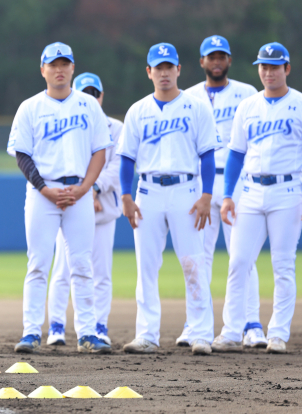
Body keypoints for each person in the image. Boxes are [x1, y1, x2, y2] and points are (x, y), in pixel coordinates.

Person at [7, 42, 113, 354]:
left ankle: (88, 333)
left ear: (72, 69)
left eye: (64, 63)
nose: (59, 69)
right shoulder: (30, 107)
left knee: (82, 264)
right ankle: (30, 332)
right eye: (53, 64)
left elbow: (100, 152)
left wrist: (85, 188)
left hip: (78, 191)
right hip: (43, 193)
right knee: (38, 263)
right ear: (43, 70)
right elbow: (22, 155)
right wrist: (44, 189)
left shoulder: (88, 105)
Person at [117, 43, 221, 355]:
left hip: (186, 190)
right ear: (148, 72)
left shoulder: (196, 107)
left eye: (169, 66)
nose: (164, 72)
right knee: (146, 265)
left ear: (179, 70)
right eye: (158, 67)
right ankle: (146, 334)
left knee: (193, 263)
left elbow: (207, 156)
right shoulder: (137, 110)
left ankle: (201, 334)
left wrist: (206, 196)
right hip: (147, 190)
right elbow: (125, 159)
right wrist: (125, 195)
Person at [212, 42, 302, 354]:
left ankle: (277, 334)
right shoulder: (248, 106)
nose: (268, 71)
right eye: (263, 66)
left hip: (288, 191)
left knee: (283, 265)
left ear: (287, 69)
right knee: (238, 262)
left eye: (274, 66)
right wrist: (227, 196)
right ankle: (232, 332)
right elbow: (236, 154)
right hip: (249, 192)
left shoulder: (299, 104)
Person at [180, 35, 265, 348]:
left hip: (236, 181)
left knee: (242, 255)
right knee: (198, 256)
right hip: (201, 182)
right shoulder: (186, 96)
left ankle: (251, 324)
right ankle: (195, 324)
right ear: (201, 62)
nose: (216, 62)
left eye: (221, 57)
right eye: (210, 57)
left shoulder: (246, 93)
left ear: (229, 60)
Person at [46, 72, 123, 346]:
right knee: (63, 269)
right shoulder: (67, 123)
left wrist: (94, 188)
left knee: (100, 272)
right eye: (85, 93)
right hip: (68, 203)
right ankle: (56, 326)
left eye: (95, 93)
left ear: (101, 97)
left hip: (102, 211)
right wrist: (81, 192)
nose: (91, 98)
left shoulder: (116, 127)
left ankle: (98, 326)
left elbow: (117, 167)